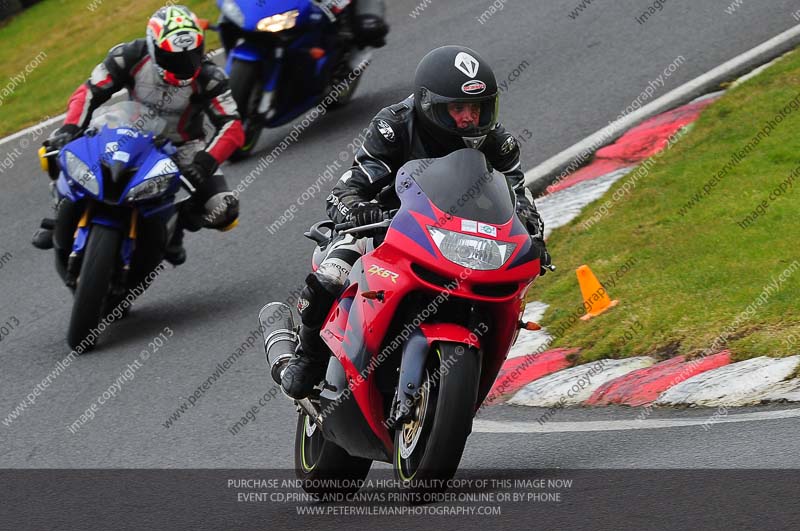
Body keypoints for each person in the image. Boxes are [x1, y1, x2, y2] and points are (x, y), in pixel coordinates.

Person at [280, 45, 551, 399]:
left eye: (477, 108)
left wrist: (535, 237)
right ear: (428, 105)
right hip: (388, 226)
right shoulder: (394, 125)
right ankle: (308, 355)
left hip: (458, 235)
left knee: (509, 287)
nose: (469, 119)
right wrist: (357, 208)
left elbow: (519, 195)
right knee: (333, 270)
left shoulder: (497, 142)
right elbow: (349, 185)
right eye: (457, 109)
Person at [32, 5, 244, 266]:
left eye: (193, 55)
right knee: (52, 146)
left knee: (224, 210)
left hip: (183, 147)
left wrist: (205, 162)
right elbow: (88, 92)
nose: (186, 65)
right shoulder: (129, 55)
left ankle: (173, 229)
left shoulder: (211, 77)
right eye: (175, 57)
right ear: (155, 48)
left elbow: (232, 125)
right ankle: (60, 215)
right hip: (128, 130)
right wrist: (68, 130)